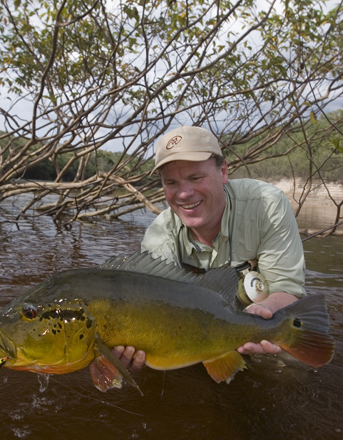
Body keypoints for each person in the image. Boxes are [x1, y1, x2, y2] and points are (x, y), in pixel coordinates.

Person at [113, 126, 306, 372]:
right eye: (171, 182)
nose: (184, 193)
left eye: (195, 178)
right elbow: (152, 313)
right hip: (195, 332)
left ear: (223, 172)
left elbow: (286, 288)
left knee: (289, 364)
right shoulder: (158, 237)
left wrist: (267, 310)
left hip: (258, 319)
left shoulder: (267, 205)